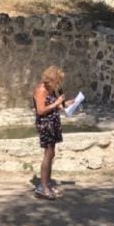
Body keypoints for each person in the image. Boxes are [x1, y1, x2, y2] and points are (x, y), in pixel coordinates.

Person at [33, 65, 68, 200]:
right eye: (57, 81)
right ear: (51, 79)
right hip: (45, 125)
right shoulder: (40, 90)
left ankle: (47, 183)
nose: (58, 84)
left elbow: (56, 105)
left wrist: (69, 104)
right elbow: (41, 110)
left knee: (51, 153)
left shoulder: (51, 89)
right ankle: (43, 188)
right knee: (47, 154)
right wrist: (57, 103)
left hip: (53, 123)